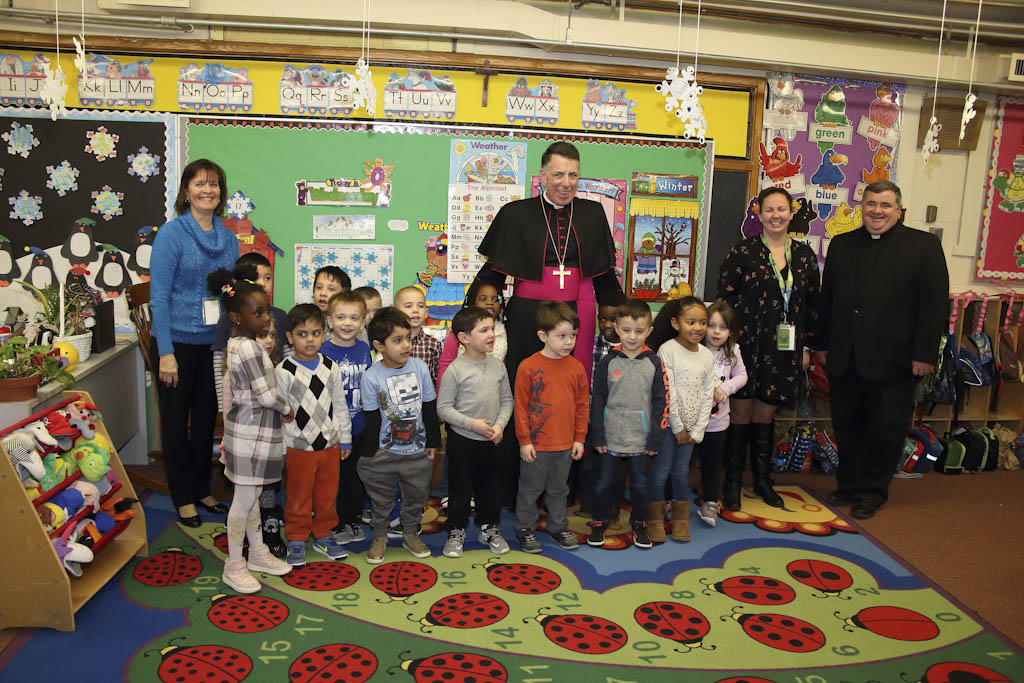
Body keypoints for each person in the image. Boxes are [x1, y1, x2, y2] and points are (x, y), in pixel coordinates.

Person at [473, 141, 620, 503]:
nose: (566, 182)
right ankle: (513, 488)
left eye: (572, 174)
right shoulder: (516, 213)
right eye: (558, 174)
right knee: (523, 397)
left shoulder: (591, 214)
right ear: (542, 176)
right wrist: (474, 312)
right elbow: (493, 272)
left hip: (576, 316)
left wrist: (623, 318)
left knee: (567, 397)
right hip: (526, 318)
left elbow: (603, 277)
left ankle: (562, 491)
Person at [817, 180, 948, 520]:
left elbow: (933, 306)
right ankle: (846, 485)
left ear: (899, 210)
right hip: (845, 356)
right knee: (847, 425)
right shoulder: (843, 244)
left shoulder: (924, 246)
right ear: (862, 207)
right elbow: (828, 300)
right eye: (871, 204)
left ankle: (871, 493)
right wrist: (823, 344)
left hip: (895, 358)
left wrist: (924, 354)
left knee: (884, 428)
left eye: (885, 205)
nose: (877, 211)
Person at [717, 186, 820, 508]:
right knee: (741, 412)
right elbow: (725, 299)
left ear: (792, 213)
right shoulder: (743, 252)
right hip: (747, 345)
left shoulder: (804, 255)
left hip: (786, 349)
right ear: (759, 215)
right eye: (769, 210)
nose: (776, 216)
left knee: (766, 412)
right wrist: (726, 346)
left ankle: (762, 481)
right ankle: (732, 482)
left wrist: (807, 348)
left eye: (781, 209)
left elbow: (812, 305)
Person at [150, 158, 239, 527]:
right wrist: (166, 353)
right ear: (186, 191)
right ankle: (183, 495)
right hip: (176, 345)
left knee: (206, 422)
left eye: (214, 184)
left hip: (213, 345)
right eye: (200, 183)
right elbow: (158, 297)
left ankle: (202, 488)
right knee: (175, 425)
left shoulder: (229, 238)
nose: (208, 190)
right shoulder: (172, 234)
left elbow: (230, 295)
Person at [207, 266, 294, 592]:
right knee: (243, 501)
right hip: (250, 437)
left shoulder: (240, 345)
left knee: (253, 495)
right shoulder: (247, 348)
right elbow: (266, 395)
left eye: (267, 311)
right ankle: (234, 563)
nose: (266, 318)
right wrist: (288, 408)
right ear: (236, 317)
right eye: (257, 313)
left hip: (254, 435)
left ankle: (257, 552)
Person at [359, 307, 442, 564]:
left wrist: (433, 442)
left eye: (407, 338)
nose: (406, 345)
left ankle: (410, 534)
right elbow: (372, 418)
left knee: (415, 497)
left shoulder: (419, 367)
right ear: (378, 345)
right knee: (381, 500)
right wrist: (369, 452)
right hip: (384, 451)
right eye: (397, 340)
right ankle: (380, 536)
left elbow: (429, 406)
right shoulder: (371, 376)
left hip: (416, 451)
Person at [587, 298, 669, 549]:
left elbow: (661, 402)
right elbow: (597, 400)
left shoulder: (654, 363)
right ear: (616, 328)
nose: (632, 337)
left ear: (649, 331)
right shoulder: (608, 361)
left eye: (639, 331)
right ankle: (600, 520)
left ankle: (639, 523)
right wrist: (598, 436)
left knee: (640, 484)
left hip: (640, 439)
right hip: (610, 436)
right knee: (604, 482)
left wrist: (655, 437)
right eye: (626, 330)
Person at [275, 304, 352, 567]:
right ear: (290, 337)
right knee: (299, 494)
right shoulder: (284, 371)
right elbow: (279, 413)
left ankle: (323, 533)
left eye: (316, 333)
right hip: (298, 447)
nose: (309, 340)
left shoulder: (330, 367)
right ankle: (297, 536)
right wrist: (283, 448)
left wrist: (345, 438)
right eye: (302, 334)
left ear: (324, 333)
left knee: (327, 494)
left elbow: (340, 405)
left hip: (330, 445)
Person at [513, 301, 589, 554]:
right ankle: (525, 528)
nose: (568, 342)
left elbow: (582, 406)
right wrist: (524, 441)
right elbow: (521, 407)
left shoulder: (576, 368)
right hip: (536, 444)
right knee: (530, 489)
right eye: (561, 336)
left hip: (566, 444)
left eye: (573, 336)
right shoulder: (528, 366)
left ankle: (558, 526)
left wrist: (579, 439)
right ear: (542, 336)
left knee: (559, 490)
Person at [437, 306, 513, 558]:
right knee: (460, 490)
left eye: (492, 329)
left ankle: (489, 528)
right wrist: (472, 424)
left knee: (491, 488)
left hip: (492, 441)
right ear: (464, 338)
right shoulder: (455, 370)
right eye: (484, 330)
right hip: (463, 441)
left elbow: (507, 401)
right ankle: (456, 530)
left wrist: (500, 425)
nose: (491, 334)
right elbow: (444, 408)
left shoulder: (497, 366)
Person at [651, 297, 716, 542]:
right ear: (676, 323)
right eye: (691, 322)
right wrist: (678, 427)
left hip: (692, 428)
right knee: (661, 472)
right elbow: (669, 391)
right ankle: (655, 519)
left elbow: (708, 393)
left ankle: (680, 520)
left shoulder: (707, 356)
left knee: (680, 473)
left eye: (703, 322)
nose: (698, 328)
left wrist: (698, 430)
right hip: (670, 425)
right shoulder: (668, 350)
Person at [320, 291, 373, 545]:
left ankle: (352, 519)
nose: (347, 323)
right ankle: (335, 522)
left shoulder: (364, 350)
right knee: (334, 479)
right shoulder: (321, 350)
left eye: (354, 318)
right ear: (329, 320)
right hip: (331, 430)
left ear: (363, 322)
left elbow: (371, 386)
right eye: (341, 317)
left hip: (359, 427)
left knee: (356, 477)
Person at [699, 300, 748, 521]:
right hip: (691, 421)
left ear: (731, 331)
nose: (716, 332)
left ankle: (710, 501)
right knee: (681, 464)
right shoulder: (695, 349)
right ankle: (673, 500)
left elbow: (742, 376)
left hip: (718, 422)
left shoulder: (733, 351)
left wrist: (725, 389)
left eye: (723, 327)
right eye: (711, 325)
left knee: (712, 463)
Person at [436, 280, 507, 387]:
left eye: (495, 299)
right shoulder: (460, 330)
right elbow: (445, 365)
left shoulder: (504, 332)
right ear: (473, 303)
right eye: (483, 299)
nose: (490, 302)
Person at [394, 286, 442, 386]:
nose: (415, 310)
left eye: (420, 306)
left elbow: (437, 379)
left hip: (425, 398)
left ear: (426, 313)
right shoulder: (390, 343)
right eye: (408, 306)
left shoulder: (434, 344)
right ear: (396, 312)